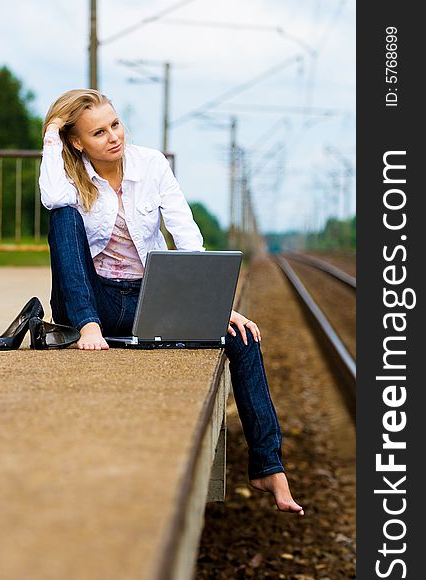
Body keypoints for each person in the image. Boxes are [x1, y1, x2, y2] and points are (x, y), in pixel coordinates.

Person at [39, 89, 304, 516]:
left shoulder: (151, 164)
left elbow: (186, 233)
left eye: (116, 124)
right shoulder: (68, 177)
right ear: (76, 142)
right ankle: (87, 327)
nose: (113, 137)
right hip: (92, 303)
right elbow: (53, 199)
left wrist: (215, 304)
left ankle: (268, 467)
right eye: (98, 132)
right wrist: (52, 135)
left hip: (146, 297)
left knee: (243, 338)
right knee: (64, 215)